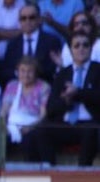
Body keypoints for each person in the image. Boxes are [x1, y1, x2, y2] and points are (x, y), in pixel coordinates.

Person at [31, 31, 100, 166]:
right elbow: (50, 108)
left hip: (91, 123)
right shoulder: (63, 74)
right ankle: (49, 171)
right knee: (41, 131)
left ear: (91, 48)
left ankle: (82, 174)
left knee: (90, 131)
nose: (81, 49)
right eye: (77, 46)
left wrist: (78, 92)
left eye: (85, 45)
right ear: (70, 50)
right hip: (67, 123)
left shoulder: (98, 70)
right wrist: (65, 101)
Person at [2, 1, 58, 84]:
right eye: (23, 18)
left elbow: (53, 69)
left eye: (31, 17)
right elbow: (6, 71)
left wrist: (33, 75)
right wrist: (21, 75)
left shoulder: (52, 41)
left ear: (39, 19)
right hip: (18, 88)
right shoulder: (12, 44)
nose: (27, 21)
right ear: (19, 21)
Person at [1, 55, 50, 149]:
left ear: (36, 73)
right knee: (1, 139)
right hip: (12, 126)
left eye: (30, 71)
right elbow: (4, 111)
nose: (26, 75)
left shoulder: (44, 87)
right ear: (17, 72)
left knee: (30, 140)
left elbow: (43, 115)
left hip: (33, 126)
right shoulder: (12, 86)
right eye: (22, 71)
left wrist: (30, 128)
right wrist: (4, 127)